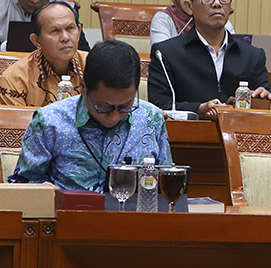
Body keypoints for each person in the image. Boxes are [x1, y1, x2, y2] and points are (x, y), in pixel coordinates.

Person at [9, 40, 171, 193]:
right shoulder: (50, 121)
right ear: (83, 87)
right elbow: (19, 187)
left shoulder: (150, 118)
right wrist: (39, 190)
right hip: (68, 217)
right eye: (104, 107)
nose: (114, 116)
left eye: (125, 106)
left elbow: (166, 183)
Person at [148, 0, 271, 117]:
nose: (217, 3)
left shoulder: (253, 56)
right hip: (189, 137)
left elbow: (267, 110)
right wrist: (198, 109)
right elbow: (160, 107)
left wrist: (263, 99)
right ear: (189, 7)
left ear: (230, 6)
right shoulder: (166, 54)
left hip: (237, 136)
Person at [0, 2, 89, 107]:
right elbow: (16, 122)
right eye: (55, 31)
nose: (65, 37)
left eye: (70, 28)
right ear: (37, 41)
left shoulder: (95, 66)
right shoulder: (15, 79)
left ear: (79, 32)